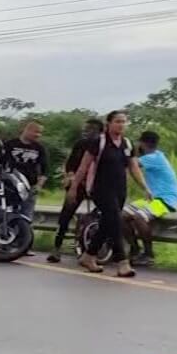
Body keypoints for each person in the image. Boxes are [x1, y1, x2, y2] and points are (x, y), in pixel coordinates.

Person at [73, 110, 152, 278]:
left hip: (119, 189)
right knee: (115, 220)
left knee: (108, 222)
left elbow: (133, 167)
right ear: (108, 123)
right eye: (117, 121)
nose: (121, 125)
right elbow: (83, 166)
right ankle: (122, 262)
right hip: (100, 188)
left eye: (123, 122)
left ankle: (88, 256)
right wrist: (74, 188)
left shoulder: (127, 144)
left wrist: (145, 187)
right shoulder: (98, 142)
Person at [47, 117, 104, 264]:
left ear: (99, 131)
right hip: (78, 184)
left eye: (91, 129)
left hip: (98, 185)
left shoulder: (104, 145)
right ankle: (56, 248)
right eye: (86, 129)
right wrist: (70, 176)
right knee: (66, 215)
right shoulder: (80, 144)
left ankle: (98, 249)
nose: (87, 132)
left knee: (104, 215)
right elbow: (71, 163)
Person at [129, 130, 177, 266]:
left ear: (142, 143)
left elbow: (132, 164)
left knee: (139, 217)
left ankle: (148, 254)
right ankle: (134, 250)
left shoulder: (153, 158)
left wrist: (130, 152)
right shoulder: (156, 155)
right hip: (153, 199)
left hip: (165, 200)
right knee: (122, 215)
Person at [1, 121, 47, 221]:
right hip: (12, 186)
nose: (38, 135)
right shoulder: (10, 144)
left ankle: (24, 234)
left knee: (26, 216)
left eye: (40, 133)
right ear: (27, 130)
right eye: (36, 132)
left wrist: (39, 185)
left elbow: (44, 169)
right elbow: (1, 164)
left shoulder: (39, 148)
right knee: (9, 214)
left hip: (30, 186)